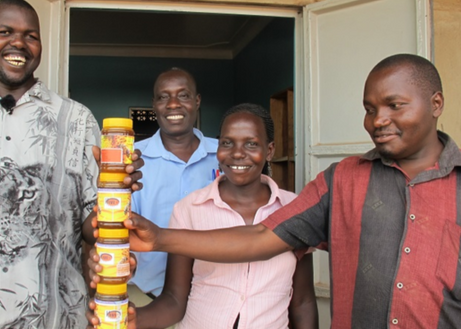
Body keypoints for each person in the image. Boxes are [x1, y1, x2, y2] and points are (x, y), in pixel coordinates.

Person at [123, 53, 461, 328]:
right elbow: (261, 238)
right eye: (370, 110)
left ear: (436, 104)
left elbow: (301, 299)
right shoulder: (343, 181)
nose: (379, 120)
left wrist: (160, 238)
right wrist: (157, 238)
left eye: (394, 106)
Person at [0, 0, 142, 329]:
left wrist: (116, 187)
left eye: (30, 35)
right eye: (4, 32)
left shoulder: (77, 119)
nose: (18, 43)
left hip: (54, 314)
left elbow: (92, 224)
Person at [88, 104, 318, 328]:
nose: (237, 153)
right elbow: (175, 300)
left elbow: (303, 301)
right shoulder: (189, 209)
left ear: (269, 150)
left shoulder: (294, 209)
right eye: (227, 143)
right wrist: (134, 321)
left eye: (251, 144)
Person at [127, 68, 219, 302]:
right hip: (146, 297)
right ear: (154, 105)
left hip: (215, 299)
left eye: (184, 95)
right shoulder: (133, 159)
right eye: (164, 97)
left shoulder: (225, 155)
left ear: (197, 101)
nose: (173, 104)